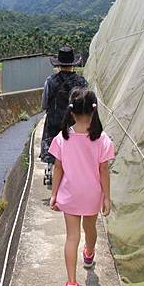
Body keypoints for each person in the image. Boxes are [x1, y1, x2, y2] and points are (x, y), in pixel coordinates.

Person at [47, 89, 115, 286]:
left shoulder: (63, 138)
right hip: (92, 195)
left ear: (72, 111)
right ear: (94, 110)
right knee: (90, 228)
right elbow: (104, 170)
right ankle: (90, 252)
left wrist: (54, 195)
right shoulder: (102, 139)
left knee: (71, 237)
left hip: (70, 195)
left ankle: (71, 285)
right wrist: (106, 197)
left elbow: (58, 168)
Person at [41, 46, 88, 187]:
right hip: (74, 123)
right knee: (74, 147)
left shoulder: (50, 81)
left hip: (54, 122)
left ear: (58, 64)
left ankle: (50, 170)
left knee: (52, 145)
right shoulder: (82, 82)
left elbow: (44, 103)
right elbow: (86, 103)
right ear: (73, 64)